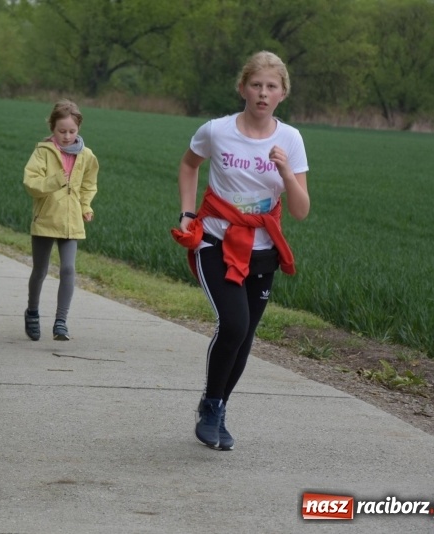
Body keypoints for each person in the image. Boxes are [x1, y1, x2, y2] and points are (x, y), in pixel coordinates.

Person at [172, 51, 310, 450]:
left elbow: (300, 210)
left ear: (283, 93)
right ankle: (210, 407)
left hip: (262, 249)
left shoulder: (291, 139)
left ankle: (217, 407)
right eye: (256, 85)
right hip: (215, 242)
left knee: (245, 335)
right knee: (233, 325)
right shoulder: (216, 131)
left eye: (271, 86)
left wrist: (285, 173)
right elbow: (189, 165)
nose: (263, 93)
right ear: (242, 88)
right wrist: (187, 212)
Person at [23, 100, 99, 341]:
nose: (67, 136)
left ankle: (61, 322)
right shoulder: (42, 152)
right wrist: (55, 180)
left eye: (72, 131)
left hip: (71, 222)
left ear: (79, 129)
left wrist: (85, 206)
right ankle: (32, 312)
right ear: (52, 128)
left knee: (68, 269)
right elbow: (31, 183)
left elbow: (89, 185)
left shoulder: (87, 156)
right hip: (45, 219)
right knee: (40, 271)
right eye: (61, 131)